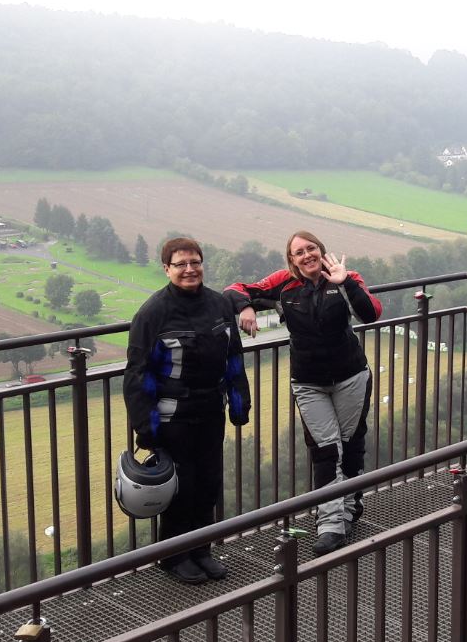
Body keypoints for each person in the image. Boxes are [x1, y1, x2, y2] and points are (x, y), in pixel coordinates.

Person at [224, 230, 382, 555]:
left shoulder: (346, 277)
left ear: (322, 250)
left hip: (351, 376)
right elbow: (235, 289)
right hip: (308, 383)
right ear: (291, 260)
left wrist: (344, 282)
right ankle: (330, 525)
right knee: (325, 450)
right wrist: (245, 308)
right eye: (299, 252)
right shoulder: (284, 283)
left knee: (350, 446)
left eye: (311, 248)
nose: (307, 255)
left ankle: (350, 508)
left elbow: (371, 313)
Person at [124, 236, 251, 585]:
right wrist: (145, 426)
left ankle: (201, 550)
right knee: (181, 487)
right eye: (180, 264)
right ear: (166, 269)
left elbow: (233, 355)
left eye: (195, 262)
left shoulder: (219, 305)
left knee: (208, 483)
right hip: (171, 415)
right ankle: (173, 556)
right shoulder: (153, 313)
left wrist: (240, 400)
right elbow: (137, 373)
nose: (189, 269)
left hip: (210, 409)